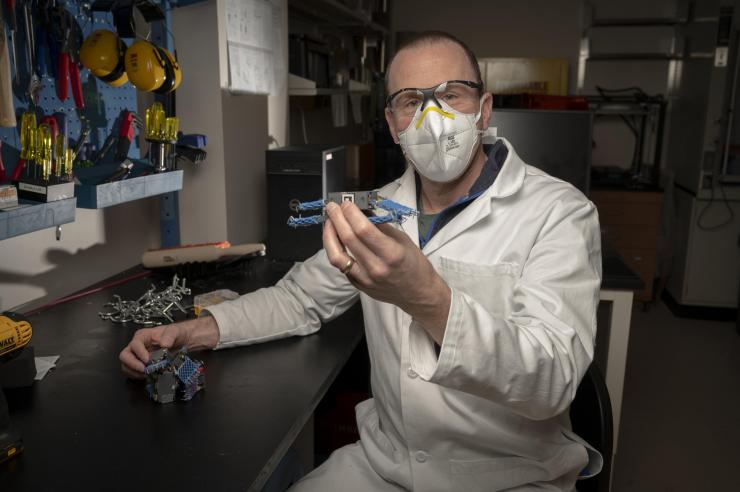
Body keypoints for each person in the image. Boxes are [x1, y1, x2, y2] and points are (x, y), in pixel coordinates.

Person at [120, 31, 603, 491]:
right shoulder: (375, 208)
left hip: (510, 475)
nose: (433, 116)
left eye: (451, 94)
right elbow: (298, 300)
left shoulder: (558, 213)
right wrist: (194, 330)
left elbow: (553, 380)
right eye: (412, 101)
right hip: (385, 467)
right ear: (393, 125)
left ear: (483, 108)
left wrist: (428, 297)